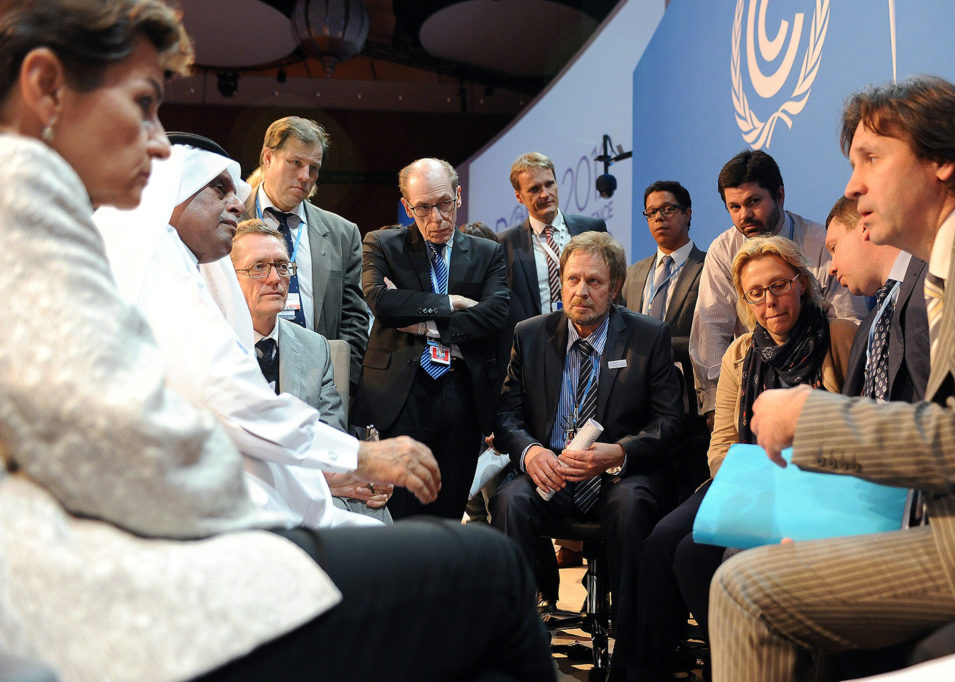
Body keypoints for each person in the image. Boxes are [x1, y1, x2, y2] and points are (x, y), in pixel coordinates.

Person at [0, 3, 553, 680]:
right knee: (491, 569)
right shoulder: (31, 207)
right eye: (144, 104)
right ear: (46, 86)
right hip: (115, 583)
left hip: (124, 546)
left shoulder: (70, 220)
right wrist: (295, 497)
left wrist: (311, 475)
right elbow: (141, 438)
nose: (155, 141)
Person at [709, 75, 955, 681]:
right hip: (953, 534)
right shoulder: (946, 268)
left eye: (871, 159)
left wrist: (810, 416)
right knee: (743, 581)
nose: (853, 185)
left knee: (745, 591)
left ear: (944, 161)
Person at [96, 134, 381, 529]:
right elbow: (231, 402)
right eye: (218, 188)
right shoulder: (154, 260)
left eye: (283, 267)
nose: (236, 203)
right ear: (170, 190)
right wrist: (360, 458)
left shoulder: (183, 263)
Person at [627, 236, 856, 681]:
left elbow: (857, 426)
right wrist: (741, 486)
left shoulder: (839, 338)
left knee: (696, 555)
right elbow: (723, 442)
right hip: (745, 478)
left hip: (812, 482)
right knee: (661, 541)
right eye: (756, 292)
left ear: (803, 284)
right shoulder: (740, 353)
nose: (769, 301)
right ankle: (650, 669)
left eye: (779, 286)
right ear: (744, 299)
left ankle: (749, 658)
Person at [491, 231, 684, 665]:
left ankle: (636, 656)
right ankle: (514, 650)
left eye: (593, 281)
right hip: (551, 474)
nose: (580, 291)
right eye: (572, 279)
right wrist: (530, 452)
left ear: (614, 287)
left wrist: (619, 453)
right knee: (510, 501)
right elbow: (506, 416)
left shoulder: (648, 337)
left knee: (631, 505)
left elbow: (670, 423)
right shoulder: (531, 334)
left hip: (618, 478)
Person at [354, 157, 511, 519]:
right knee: (401, 513)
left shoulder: (487, 252)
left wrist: (424, 323)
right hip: (399, 394)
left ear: (458, 196)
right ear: (408, 207)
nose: (437, 218)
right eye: (423, 208)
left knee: (450, 509)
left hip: (463, 392)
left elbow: (496, 313)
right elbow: (381, 302)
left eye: (444, 204)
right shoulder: (383, 244)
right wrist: (448, 303)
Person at [230, 218, 393, 524]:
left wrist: (365, 473)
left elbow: (328, 436)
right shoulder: (212, 344)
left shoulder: (314, 347)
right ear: (229, 276)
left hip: (310, 484)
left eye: (282, 266)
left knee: (374, 506)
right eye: (259, 267)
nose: (275, 278)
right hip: (240, 488)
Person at [689, 150, 865, 432]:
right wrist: (718, 407)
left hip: (822, 383)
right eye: (734, 207)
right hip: (753, 382)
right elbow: (711, 331)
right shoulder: (722, 251)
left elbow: (847, 322)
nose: (745, 215)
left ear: (780, 196)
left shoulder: (821, 242)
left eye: (753, 202)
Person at [243, 116, 370, 397]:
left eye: (314, 168)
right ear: (267, 158)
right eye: (296, 163)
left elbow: (355, 318)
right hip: (238, 377)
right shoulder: (229, 219)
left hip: (318, 388)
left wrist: (338, 381)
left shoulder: (342, 233)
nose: (305, 177)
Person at [621, 180, 709, 483]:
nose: (659, 217)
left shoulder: (709, 266)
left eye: (668, 209)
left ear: (687, 213)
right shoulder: (632, 274)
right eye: (651, 212)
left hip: (691, 409)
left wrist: (659, 348)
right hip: (639, 408)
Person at [824, 195, 930, 402]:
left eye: (834, 247)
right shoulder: (868, 327)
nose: (831, 267)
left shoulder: (937, 278)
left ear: (865, 226)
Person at [499, 151, 607, 328]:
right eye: (534, 189)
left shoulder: (592, 228)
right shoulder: (505, 244)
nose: (545, 194)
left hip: (589, 334)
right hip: (536, 343)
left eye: (549, 184)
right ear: (519, 196)